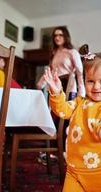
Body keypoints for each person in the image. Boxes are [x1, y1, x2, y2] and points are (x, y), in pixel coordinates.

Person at [42, 41, 101, 192]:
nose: (96, 87)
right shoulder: (80, 102)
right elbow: (61, 110)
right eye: (90, 81)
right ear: (84, 81)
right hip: (73, 171)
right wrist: (56, 91)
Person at [36, 26, 85, 162]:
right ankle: (54, 152)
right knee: (55, 121)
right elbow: (51, 71)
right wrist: (40, 84)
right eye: (55, 35)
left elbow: (80, 73)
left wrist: (82, 93)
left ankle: (65, 152)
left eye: (60, 35)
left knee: (66, 123)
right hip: (56, 90)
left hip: (71, 90)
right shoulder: (54, 53)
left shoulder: (72, 52)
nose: (57, 37)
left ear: (66, 36)